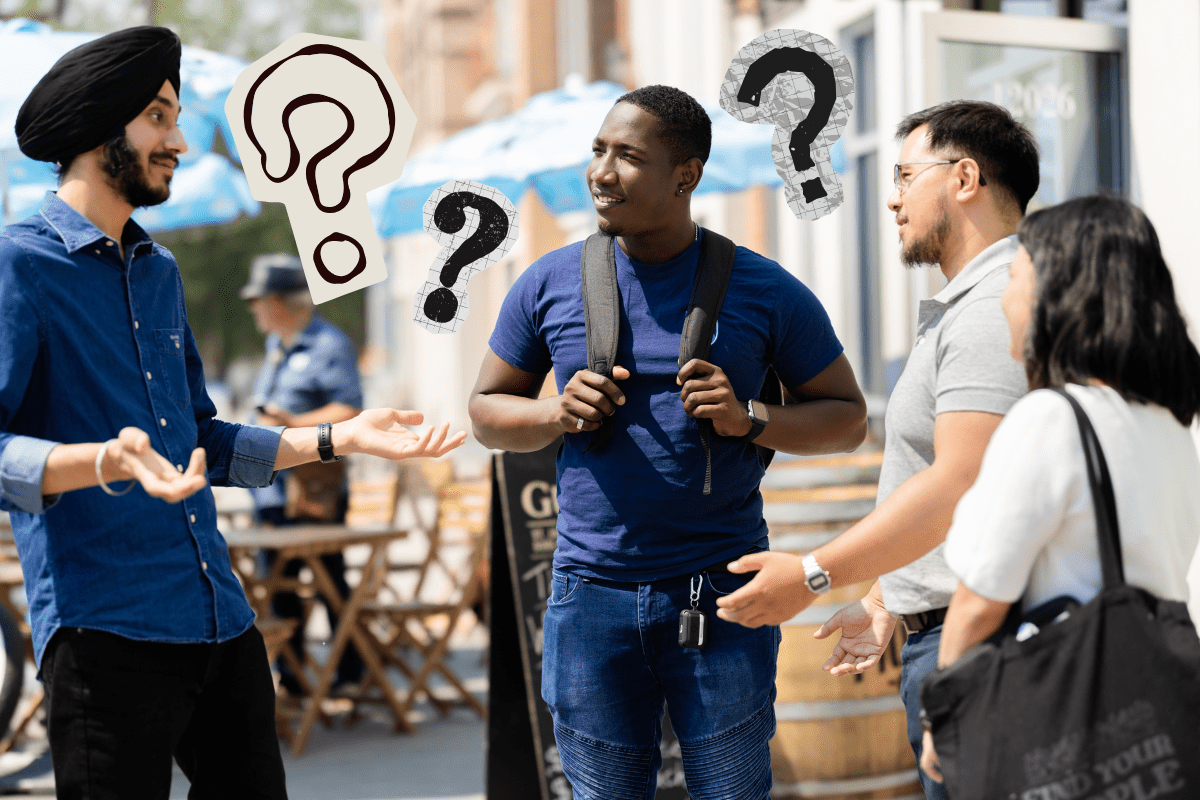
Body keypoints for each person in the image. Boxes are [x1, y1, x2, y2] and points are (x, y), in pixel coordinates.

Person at [0, 26, 464, 798]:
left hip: (220, 619)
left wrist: (336, 436)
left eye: (175, 117)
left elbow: (202, 442)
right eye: (157, 116)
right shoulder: (18, 265)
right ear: (93, 126)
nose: (179, 139)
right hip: (103, 634)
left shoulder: (159, 271)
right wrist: (101, 462)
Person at [468, 84, 868, 799]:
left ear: (684, 175)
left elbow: (847, 418)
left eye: (627, 155)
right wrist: (555, 413)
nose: (600, 171)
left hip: (724, 597)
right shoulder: (548, 281)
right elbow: (486, 412)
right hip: (588, 598)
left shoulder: (764, 289)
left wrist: (751, 417)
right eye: (598, 150)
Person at [712, 100, 1040, 799]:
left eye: (904, 174)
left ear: (964, 178)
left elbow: (959, 486)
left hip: (976, 649)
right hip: (952, 635)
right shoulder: (975, 303)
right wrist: (891, 596)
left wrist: (812, 574)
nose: (892, 198)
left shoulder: (987, 313)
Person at [918, 194, 1200, 783]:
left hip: (1063, 726)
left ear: (1059, 293)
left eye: (1016, 276)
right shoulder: (1168, 426)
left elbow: (975, 605)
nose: (1003, 297)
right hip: (1150, 722)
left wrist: (944, 720)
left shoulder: (1051, 419)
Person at [243, 253, 365, 695]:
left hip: (313, 489)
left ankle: (349, 673)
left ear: (278, 301)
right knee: (279, 586)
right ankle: (293, 677)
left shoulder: (328, 344)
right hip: (273, 491)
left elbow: (349, 410)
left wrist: (293, 425)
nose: (253, 309)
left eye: (258, 300)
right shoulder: (277, 346)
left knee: (329, 580)